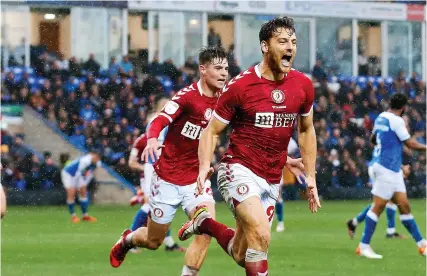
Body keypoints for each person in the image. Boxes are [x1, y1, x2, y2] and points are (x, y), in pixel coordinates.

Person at [178, 17, 320, 275]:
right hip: (238, 169)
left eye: (294, 42)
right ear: (265, 46)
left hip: (272, 177)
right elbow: (211, 131)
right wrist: (203, 168)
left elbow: (306, 129)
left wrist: (310, 176)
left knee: (242, 253)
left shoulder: (303, 85)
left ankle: (205, 223)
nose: (290, 47)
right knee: (263, 234)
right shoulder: (241, 86)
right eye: (282, 42)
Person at [355, 93, 427, 259]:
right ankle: (364, 246)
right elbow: (410, 143)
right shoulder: (397, 120)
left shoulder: (381, 117)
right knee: (378, 207)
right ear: (403, 108)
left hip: (391, 169)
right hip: (386, 168)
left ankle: (422, 245)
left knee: (404, 206)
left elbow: (374, 139)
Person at [127, 101, 185, 253]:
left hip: (165, 167)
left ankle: (169, 243)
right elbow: (132, 162)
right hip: (152, 168)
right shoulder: (156, 121)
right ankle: (130, 238)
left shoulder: (170, 122)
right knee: (149, 205)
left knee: (165, 205)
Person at [61, 151, 101, 223]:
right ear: (93, 155)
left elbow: (90, 175)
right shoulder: (85, 161)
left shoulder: (97, 163)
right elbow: (78, 173)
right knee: (71, 193)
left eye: (98, 158)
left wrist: (84, 185)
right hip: (69, 174)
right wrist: (76, 186)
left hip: (79, 175)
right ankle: (73, 216)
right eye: (96, 157)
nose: (97, 159)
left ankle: (85, 216)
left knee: (83, 192)